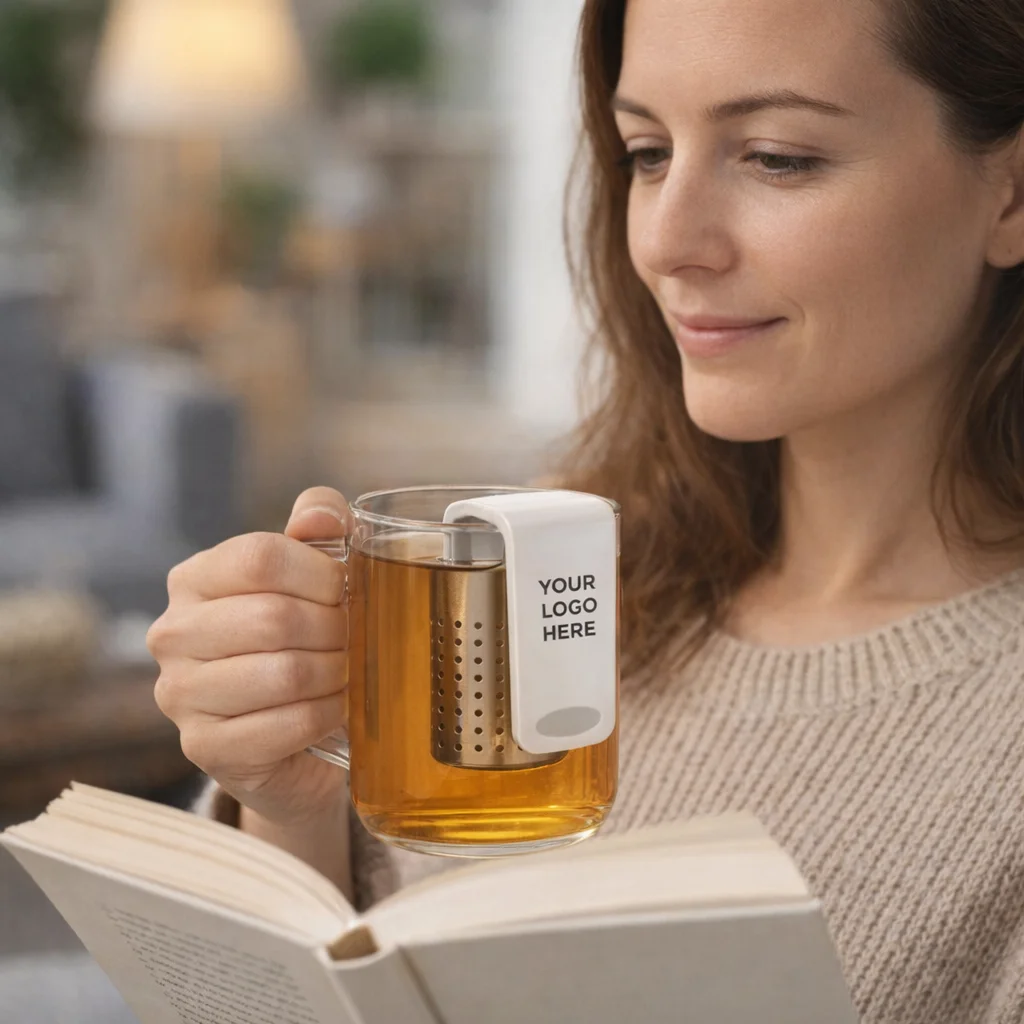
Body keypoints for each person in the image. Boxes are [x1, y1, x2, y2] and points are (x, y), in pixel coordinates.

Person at [146, 0, 1024, 1019]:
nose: (665, 239)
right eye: (646, 153)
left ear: (1008, 191)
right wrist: (294, 809)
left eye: (777, 157)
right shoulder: (556, 570)